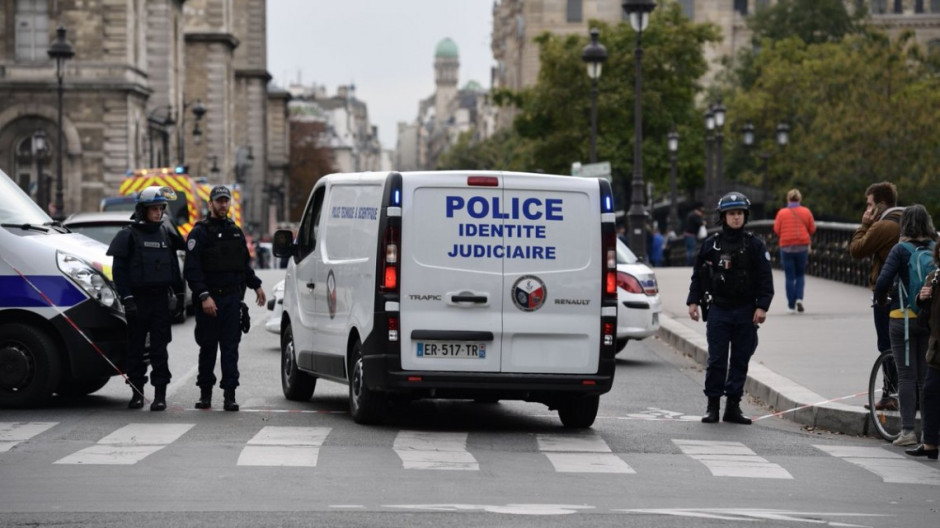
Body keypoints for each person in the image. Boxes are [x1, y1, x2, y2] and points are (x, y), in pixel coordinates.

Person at [687, 192, 774, 425]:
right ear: (723, 217)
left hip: (746, 310)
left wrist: (762, 307)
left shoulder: (755, 245)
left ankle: (733, 407)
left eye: (739, 213)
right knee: (716, 360)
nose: (736, 218)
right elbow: (698, 276)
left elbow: (766, 279)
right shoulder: (711, 245)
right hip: (719, 309)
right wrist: (693, 301)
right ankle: (712, 406)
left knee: (740, 359)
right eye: (731, 214)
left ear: (745, 216)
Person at [185, 185, 266, 411]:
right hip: (209, 300)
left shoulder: (235, 231)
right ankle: (205, 394)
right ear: (210, 204)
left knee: (230, 349)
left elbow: (243, 265)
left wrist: (256, 285)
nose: (223, 205)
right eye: (219, 201)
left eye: (226, 201)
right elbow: (192, 270)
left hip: (231, 300)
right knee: (208, 348)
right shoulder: (199, 232)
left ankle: (230, 394)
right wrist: (203, 296)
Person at [107, 186, 185, 411]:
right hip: (138, 302)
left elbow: (173, 268)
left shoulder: (165, 234)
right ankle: (137, 393)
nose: (158, 212)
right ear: (143, 210)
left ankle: (160, 395)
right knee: (136, 350)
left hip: (160, 301)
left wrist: (179, 296)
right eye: (154, 209)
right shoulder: (127, 235)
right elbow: (119, 271)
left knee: (160, 350)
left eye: (161, 208)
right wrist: (128, 299)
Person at [874, 204, 937, 446]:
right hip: (929, 319)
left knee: (906, 376)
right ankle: (930, 432)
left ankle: (908, 431)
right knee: (926, 376)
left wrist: (881, 302)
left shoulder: (900, 250)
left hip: (903, 317)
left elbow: (882, 283)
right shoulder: (935, 249)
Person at [849, 182, 904, 411]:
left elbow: (857, 249)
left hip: (888, 293)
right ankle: (912, 394)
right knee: (910, 345)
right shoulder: (907, 220)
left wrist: (864, 224)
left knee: (887, 344)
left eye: (869, 204)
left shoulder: (883, 226)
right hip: (909, 292)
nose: (868, 208)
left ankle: (890, 394)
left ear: (880, 205)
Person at [907, 242, 940, 460]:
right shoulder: (935, 276)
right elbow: (920, 308)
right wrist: (922, 297)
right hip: (936, 347)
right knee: (930, 393)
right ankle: (929, 444)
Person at [773, 188, 816, 313]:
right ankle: (799, 299)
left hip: (786, 247)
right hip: (802, 246)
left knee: (789, 276)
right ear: (799, 199)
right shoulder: (806, 211)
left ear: (788, 199)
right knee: (800, 275)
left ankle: (790, 306)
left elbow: (776, 229)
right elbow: (812, 229)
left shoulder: (781, 213)